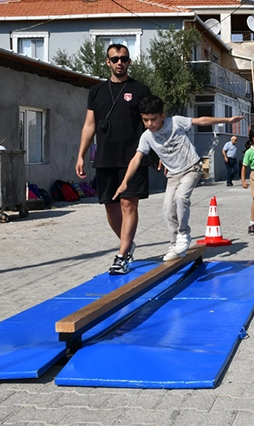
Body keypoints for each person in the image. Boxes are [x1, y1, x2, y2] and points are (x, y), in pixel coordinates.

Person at [114, 96, 242, 262]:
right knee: (167, 209)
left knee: (181, 197)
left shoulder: (175, 122)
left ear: (162, 116)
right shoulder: (146, 137)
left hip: (192, 167)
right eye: (145, 120)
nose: (150, 124)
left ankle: (184, 234)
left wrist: (226, 119)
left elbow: (201, 120)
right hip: (173, 175)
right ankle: (175, 244)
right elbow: (136, 158)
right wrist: (124, 182)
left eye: (154, 119)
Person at [76, 43, 152, 275]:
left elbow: (152, 124)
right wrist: (80, 155)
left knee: (128, 204)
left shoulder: (140, 90)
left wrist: (160, 153)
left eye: (124, 59)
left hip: (133, 159)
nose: (120, 62)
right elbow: (89, 125)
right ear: (108, 62)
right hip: (105, 158)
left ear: (129, 62)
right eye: (115, 59)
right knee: (110, 208)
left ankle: (122, 255)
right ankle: (127, 244)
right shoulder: (96, 91)